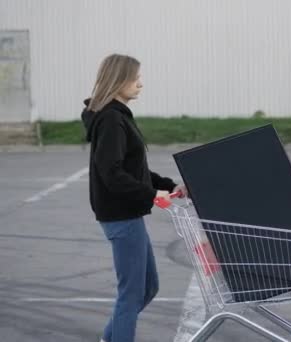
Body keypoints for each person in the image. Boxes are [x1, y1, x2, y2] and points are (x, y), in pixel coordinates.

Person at [81, 53, 187, 342]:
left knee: (147, 288)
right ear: (118, 81)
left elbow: (132, 168)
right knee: (130, 295)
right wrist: (152, 193)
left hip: (127, 216)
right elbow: (111, 173)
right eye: (135, 78)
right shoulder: (112, 120)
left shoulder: (116, 117)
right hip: (120, 217)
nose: (140, 83)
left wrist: (169, 184)